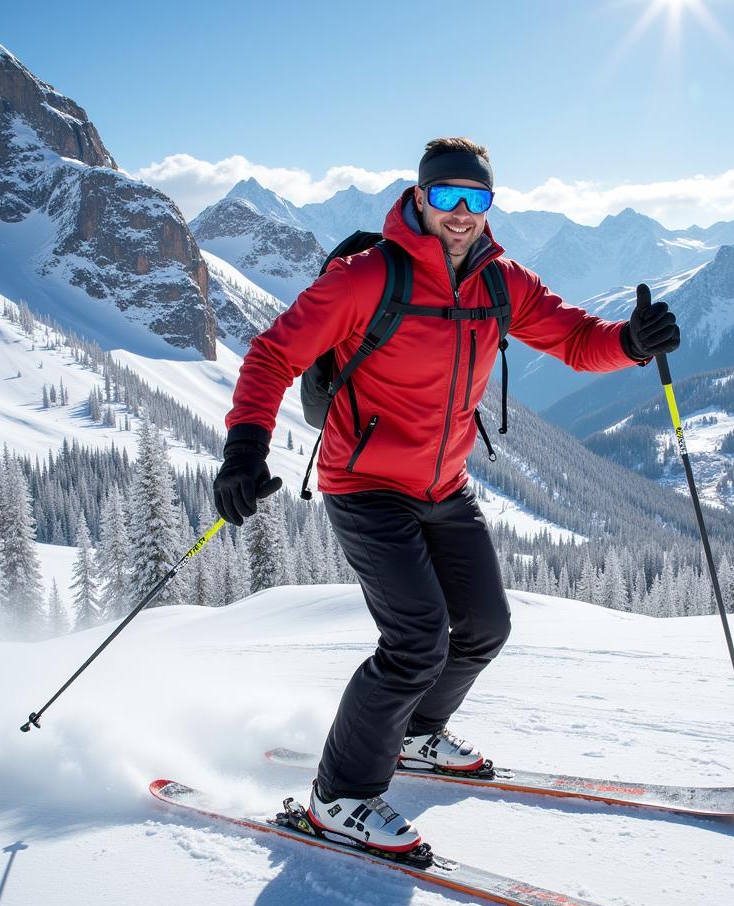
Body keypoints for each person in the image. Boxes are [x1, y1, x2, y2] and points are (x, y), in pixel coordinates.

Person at [214, 137, 680, 854]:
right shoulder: (369, 277)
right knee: (415, 640)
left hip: (444, 484)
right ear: (420, 197)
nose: (461, 213)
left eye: (477, 199)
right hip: (365, 484)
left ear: (490, 205)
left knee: (486, 626)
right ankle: (338, 798)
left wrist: (634, 343)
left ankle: (416, 735)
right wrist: (244, 447)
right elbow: (274, 353)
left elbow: (578, 341)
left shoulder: (501, 282)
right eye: (447, 197)